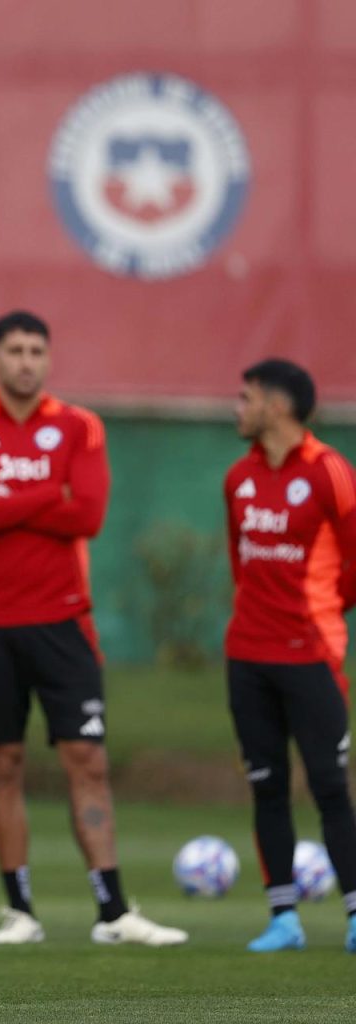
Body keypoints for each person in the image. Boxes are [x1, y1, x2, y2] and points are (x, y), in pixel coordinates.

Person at [0, 310, 186, 946]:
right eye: (15, 350)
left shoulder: (80, 426)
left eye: (37, 350)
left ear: (49, 359)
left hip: (63, 621)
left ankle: (111, 912)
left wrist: (9, 504)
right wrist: (50, 495)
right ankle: (21, 910)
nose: (26, 360)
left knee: (87, 759)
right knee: (4, 761)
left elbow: (92, 515)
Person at [222, 358, 356, 954]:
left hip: (311, 656)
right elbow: (240, 562)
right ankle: (284, 919)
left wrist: (320, 612)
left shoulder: (329, 472)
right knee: (266, 786)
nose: (238, 407)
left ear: (276, 406)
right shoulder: (238, 479)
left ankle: (355, 915)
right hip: (247, 656)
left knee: (329, 786)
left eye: (245, 396)